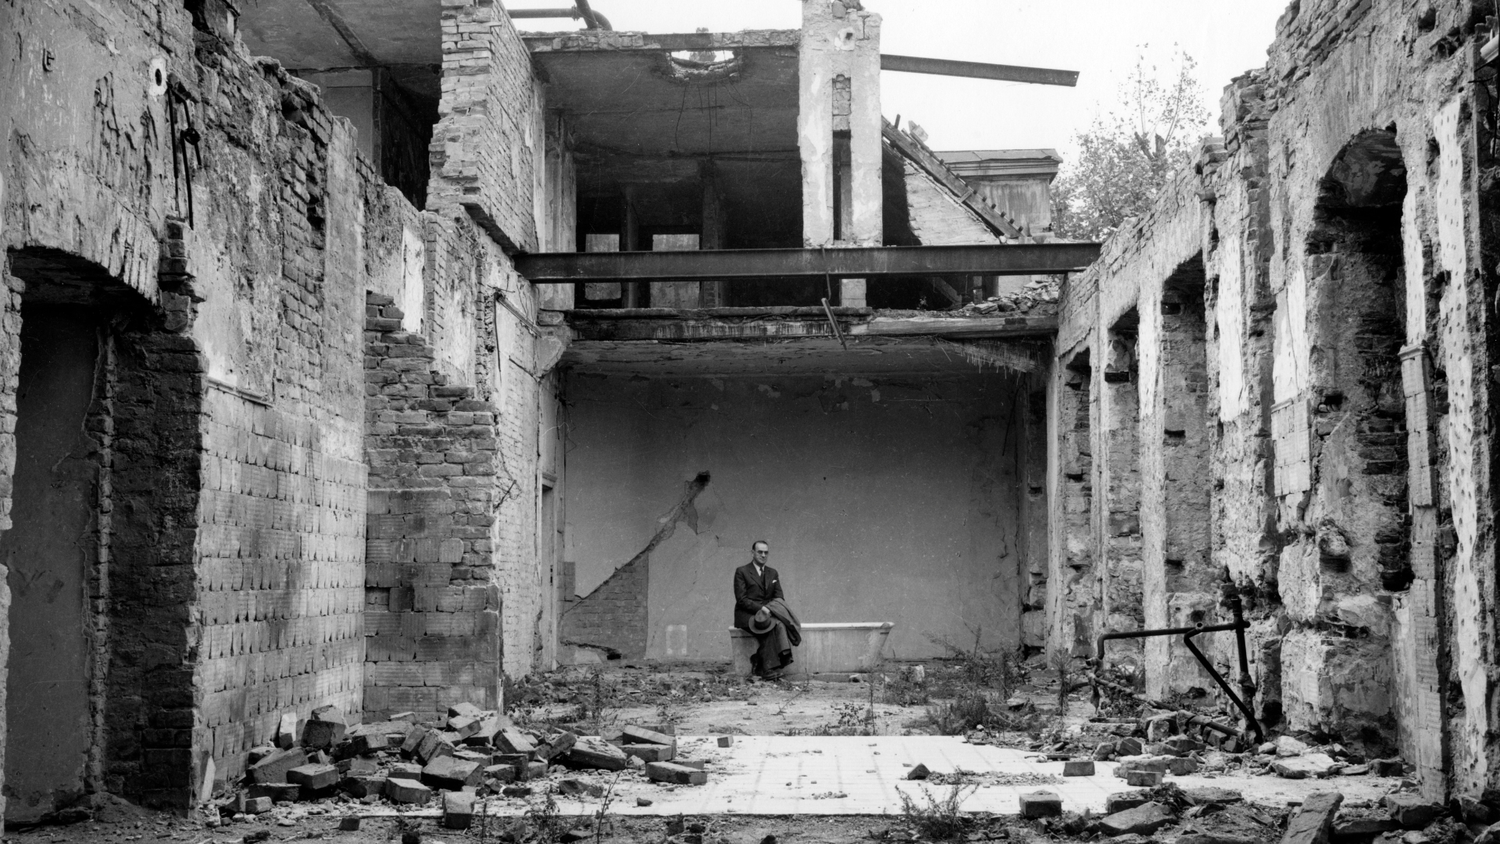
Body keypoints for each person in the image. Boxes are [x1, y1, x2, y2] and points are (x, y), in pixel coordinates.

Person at [733, 540, 801, 679]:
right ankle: (767, 669)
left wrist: (770, 609)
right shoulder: (742, 571)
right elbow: (741, 599)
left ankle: (760, 661)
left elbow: (779, 597)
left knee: (780, 624)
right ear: (752, 553)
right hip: (747, 614)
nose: (763, 555)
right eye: (760, 552)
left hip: (768, 613)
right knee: (768, 628)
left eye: (766, 552)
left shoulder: (772, 573)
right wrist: (761, 608)